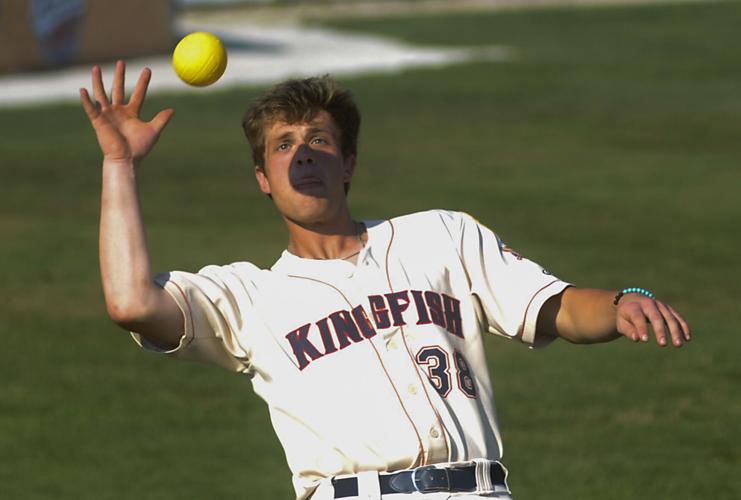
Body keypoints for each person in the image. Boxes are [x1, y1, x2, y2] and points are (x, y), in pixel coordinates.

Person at [80, 61, 691, 500]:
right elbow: (132, 302)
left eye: (319, 140)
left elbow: (553, 306)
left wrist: (621, 301)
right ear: (263, 177)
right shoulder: (249, 298)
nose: (304, 154)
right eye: (283, 145)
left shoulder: (441, 236)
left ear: (347, 163)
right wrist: (119, 165)